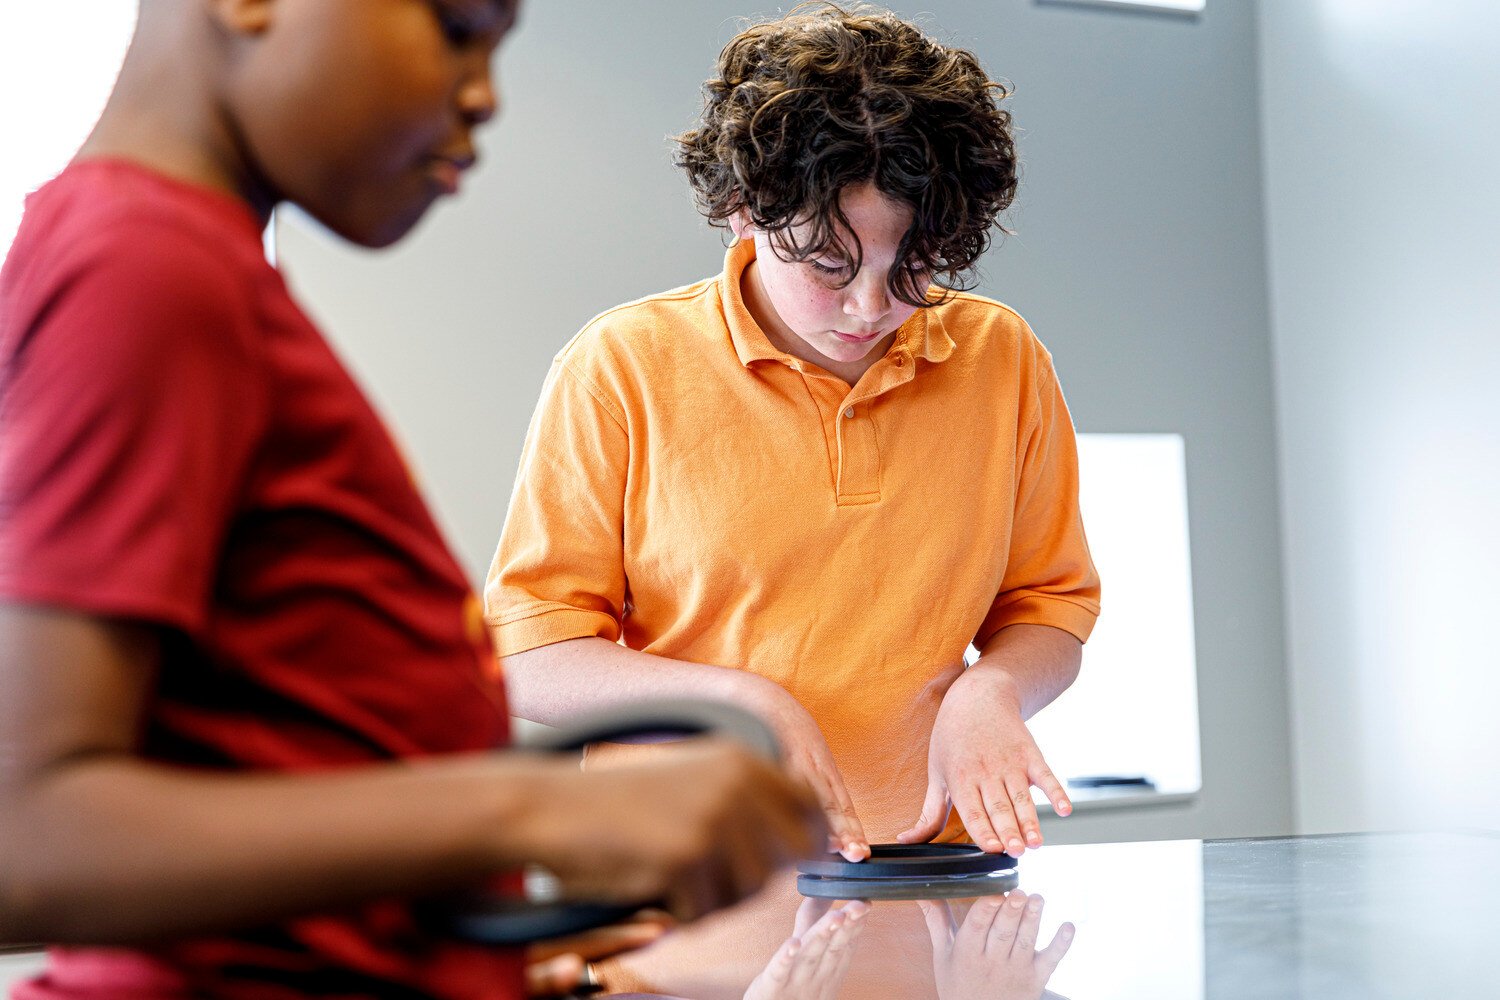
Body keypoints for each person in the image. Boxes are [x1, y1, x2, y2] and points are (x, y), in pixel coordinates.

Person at [0, 1, 824, 997]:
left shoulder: (185, 263)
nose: (484, 95)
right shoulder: (143, 266)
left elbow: (274, 755)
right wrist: (533, 811)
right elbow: (27, 834)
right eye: (457, 27)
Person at [486, 3, 1101, 868]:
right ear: (743, 212)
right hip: (690, 877)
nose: (871, 306)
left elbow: (1052, 607)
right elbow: (532, 657)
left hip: (931, 868)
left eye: (916, 265)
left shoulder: (1003, 357)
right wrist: (747, 704)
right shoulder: (620, 365)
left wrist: (992, 688)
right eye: (826, 263)